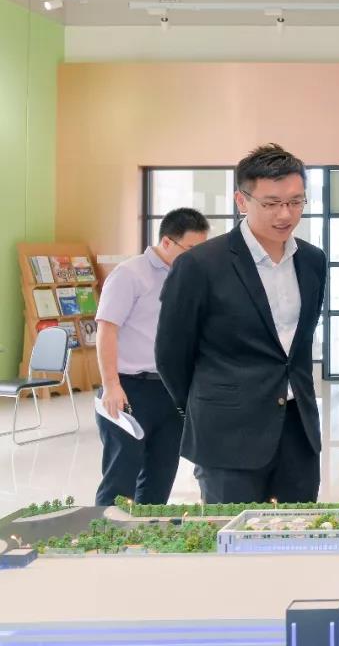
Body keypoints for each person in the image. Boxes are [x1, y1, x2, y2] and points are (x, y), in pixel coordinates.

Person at [156, 144, 327, 504]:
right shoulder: (201, 265)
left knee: (299, 531)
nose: (285, 214)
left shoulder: (312, 260)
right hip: (226, 434)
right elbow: (171, 354)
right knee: (231, 534)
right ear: (241, 201)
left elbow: (297, 346)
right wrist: (208, 404)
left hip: (298, 432)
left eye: (296, 202)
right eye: (272, 203)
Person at [93, 208, 209, 506]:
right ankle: (108, 533)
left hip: (170, 391)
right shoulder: (130, 274)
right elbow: (106, 330)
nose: (197, 257)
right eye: (191, 249)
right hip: (130, 389)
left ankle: (146, 532)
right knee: (121, 479)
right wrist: (111, 385)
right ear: (167, 242)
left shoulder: (189, 278)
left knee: (161, 475)